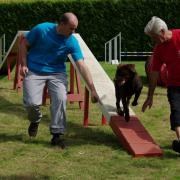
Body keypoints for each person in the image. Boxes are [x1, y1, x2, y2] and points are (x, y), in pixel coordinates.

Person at [20, 12, 99, 148]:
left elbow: (81, 64)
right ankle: (35, 120)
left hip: (57, 73)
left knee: (61, 98)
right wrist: (24, 64)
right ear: (61, 24)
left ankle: (57, 135)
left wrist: (92, 88)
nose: (73, 32)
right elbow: (23, 44)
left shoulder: (71, 41)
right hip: (34, 70)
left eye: (75, 29)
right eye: (71, 28)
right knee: (32, 104)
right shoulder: (41, 29)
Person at [142, 16, 180, 153]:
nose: (154, 41)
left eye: (155, 37)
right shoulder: (158, 50)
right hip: (174, 85)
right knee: (176, 112)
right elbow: (154, 73)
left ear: (163, 31)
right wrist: (150, 96)